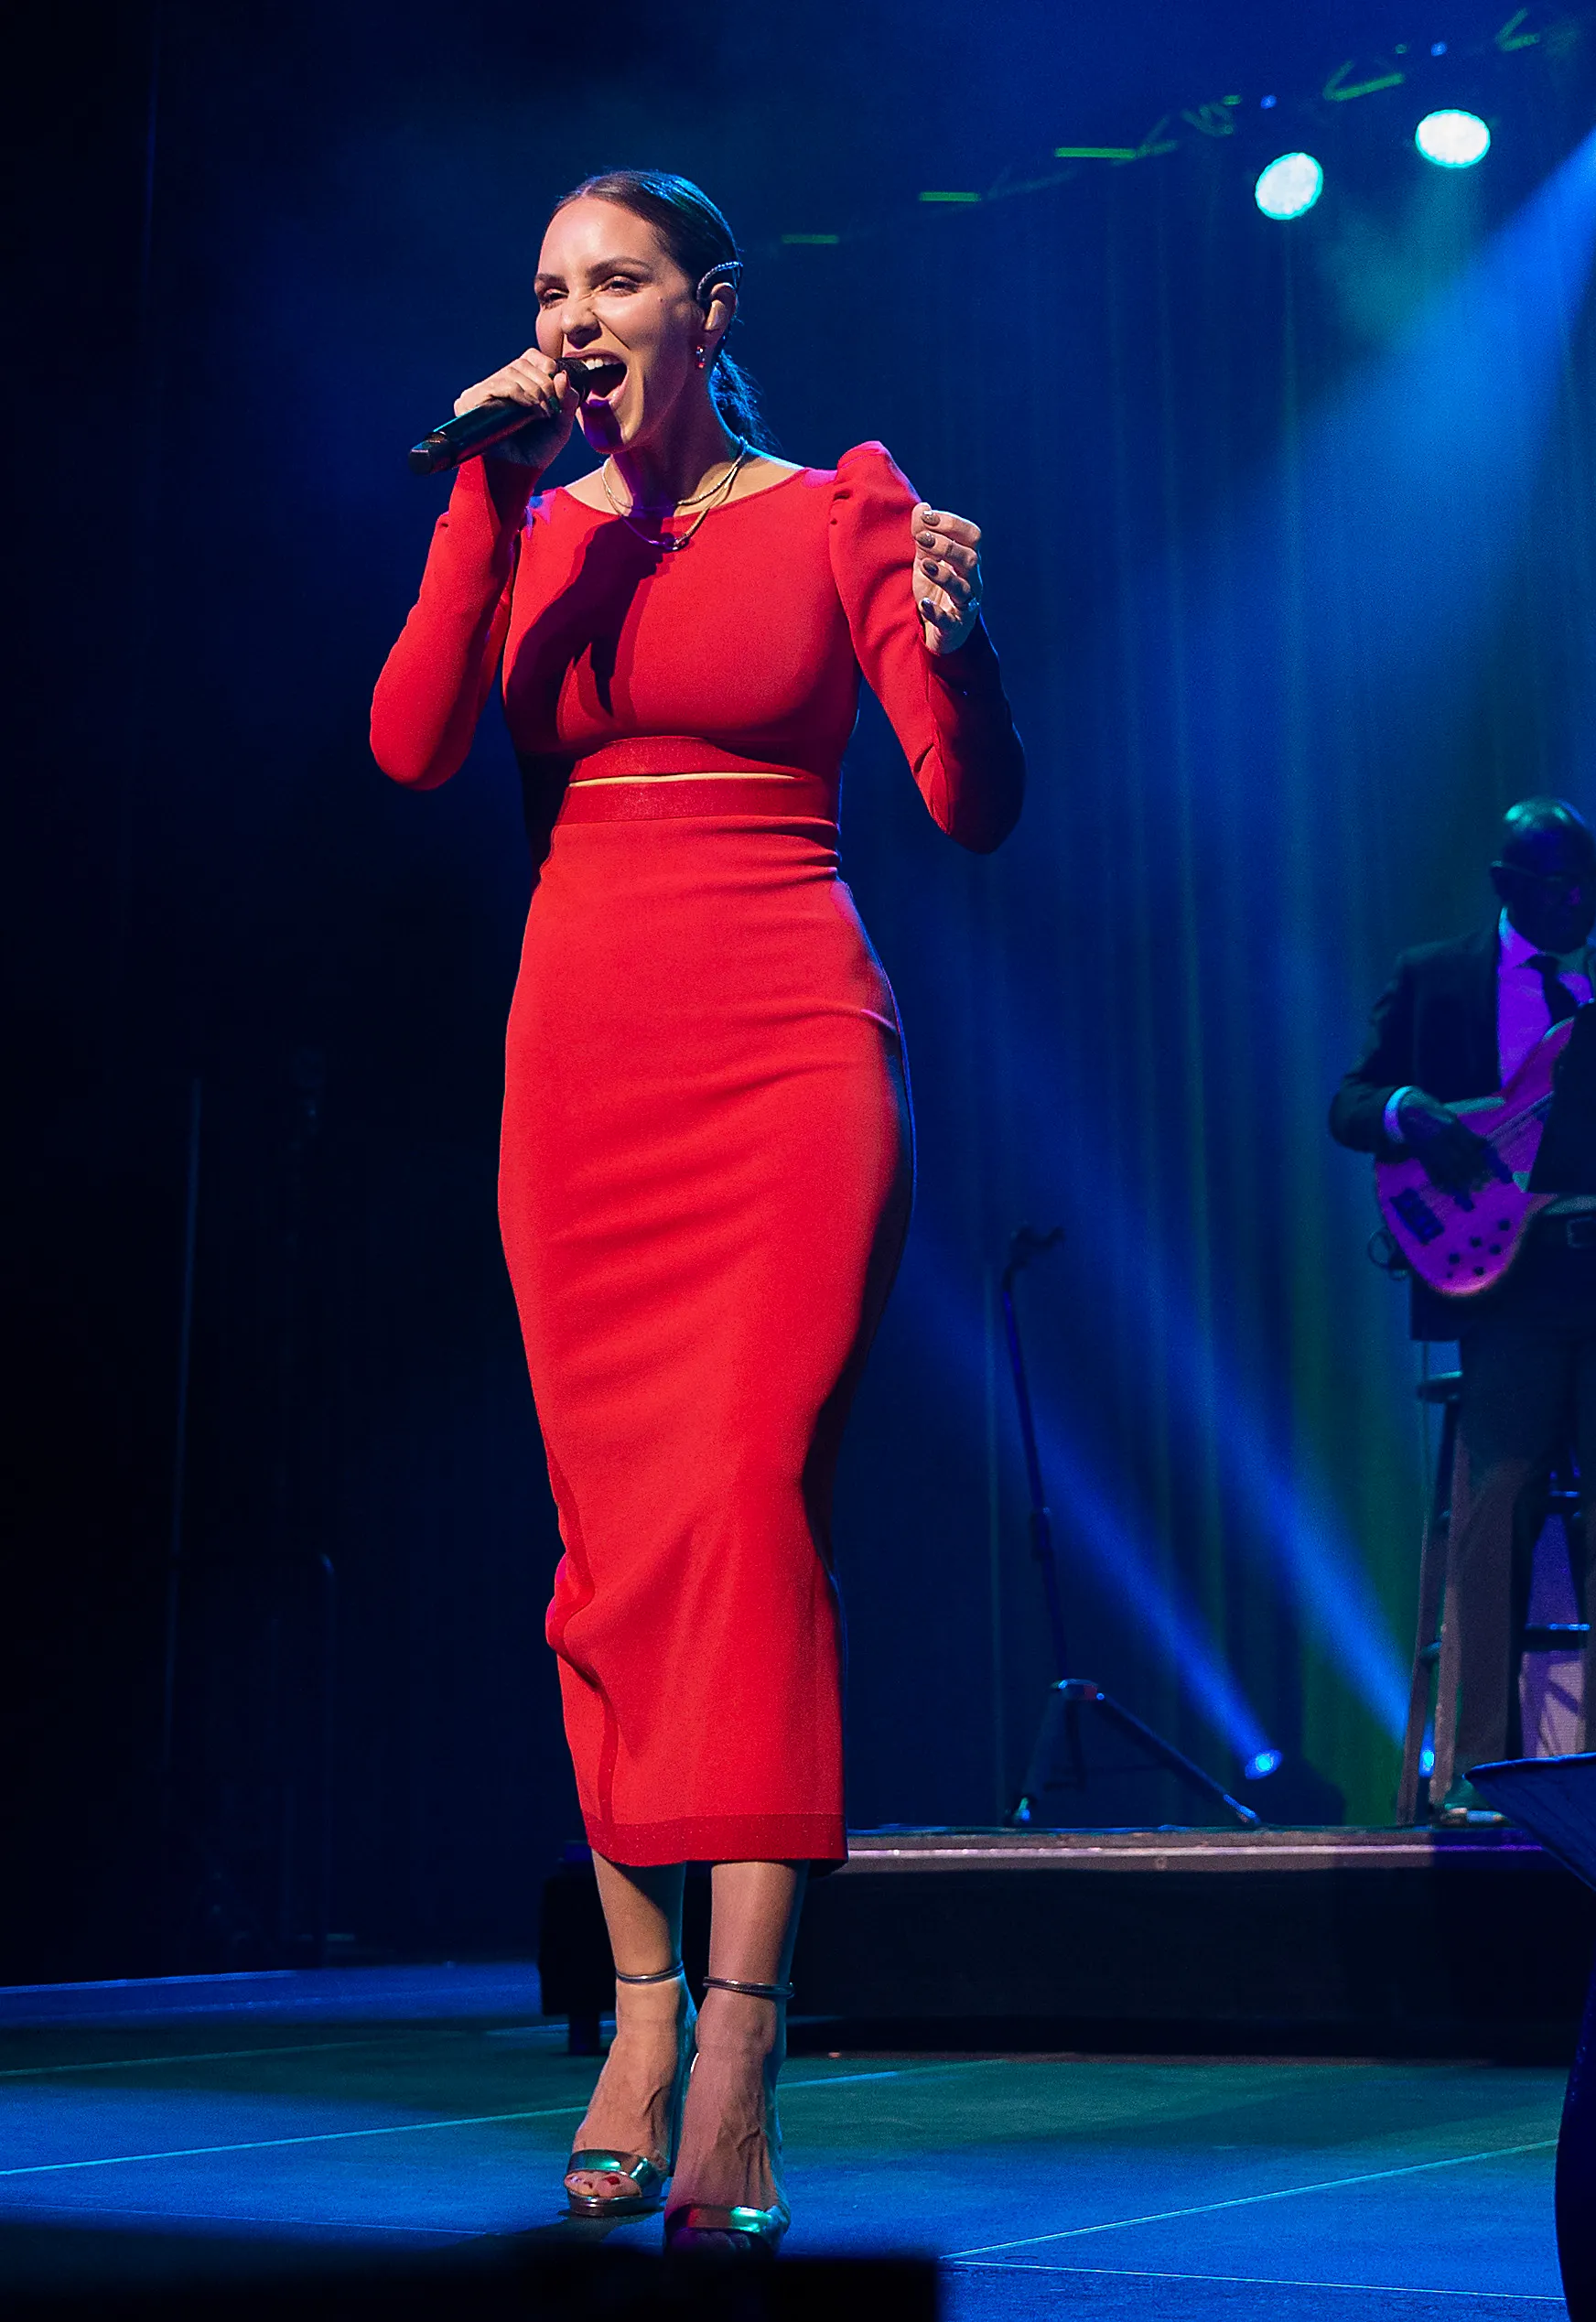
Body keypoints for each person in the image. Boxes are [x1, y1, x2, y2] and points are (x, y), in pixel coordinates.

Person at [371, 169, 1023, 2252]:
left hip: (783, 1045)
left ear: (703, 307)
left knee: (740, 1507)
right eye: (548, 283)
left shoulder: (837, 505)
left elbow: (966, 800)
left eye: (616, 280)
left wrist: (966, 651)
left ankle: (739, 2043)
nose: (576, 313)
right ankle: (636, 2016)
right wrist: (480, 492)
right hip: (581, 1064)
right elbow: (408, 746)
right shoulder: (531, 527)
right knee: (611, 1550)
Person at [1332, 802, 1596, 1820]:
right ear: (1504, 883)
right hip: (1506, 1281)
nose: (1574, 899)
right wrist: (1415, 1112)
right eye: (1551, 882)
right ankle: (1482, 1771)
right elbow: (1350, 1100)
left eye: (1587, 881)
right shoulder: (1436, 974)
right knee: (1497, 1513)